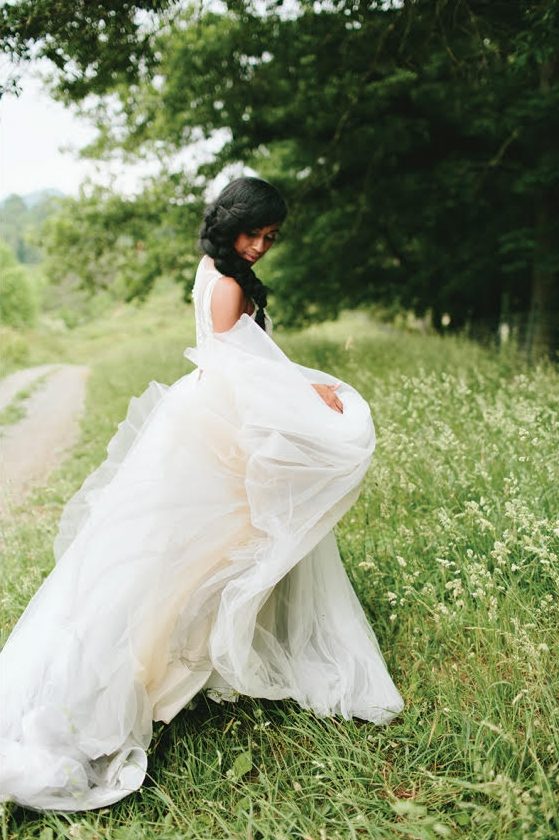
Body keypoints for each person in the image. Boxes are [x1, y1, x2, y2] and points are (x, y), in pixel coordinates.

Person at [0, 176, 404, 812]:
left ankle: (211, 660)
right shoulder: (229, 283)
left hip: (210, 415)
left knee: (220, 548)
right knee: (192, 554)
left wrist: (302, 382)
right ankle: (121, 688)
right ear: (231, 223)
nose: (263, 246)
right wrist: (305, 394)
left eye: (271, 238)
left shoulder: (215, 267)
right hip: (218, 425)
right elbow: (237, 367)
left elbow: (253, 352)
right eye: (255, 233)